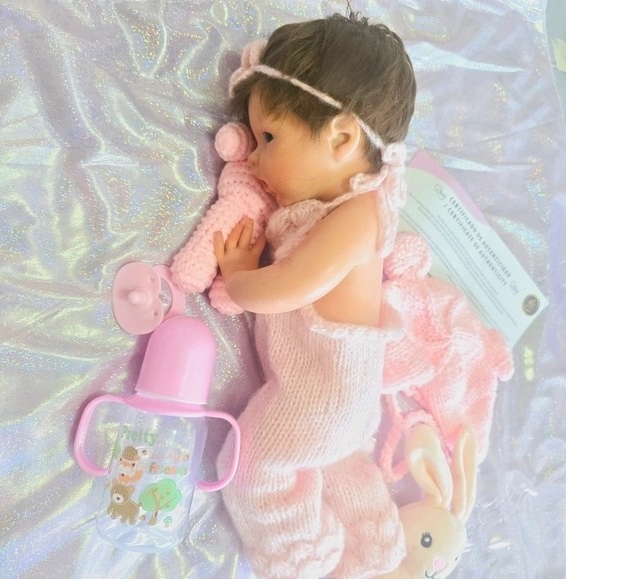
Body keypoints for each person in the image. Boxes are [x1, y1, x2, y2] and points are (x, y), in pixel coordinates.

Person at [214, 11, 417, 579]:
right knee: (336, 465)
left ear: (343, 138)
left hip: (320, 394)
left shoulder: (360, 214)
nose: (253, 158)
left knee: (252, 464)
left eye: (269, 138)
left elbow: (292, 285)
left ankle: (302, 558)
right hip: (335, 398)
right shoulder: (332, 209)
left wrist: (239, 277)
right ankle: (375, 551)